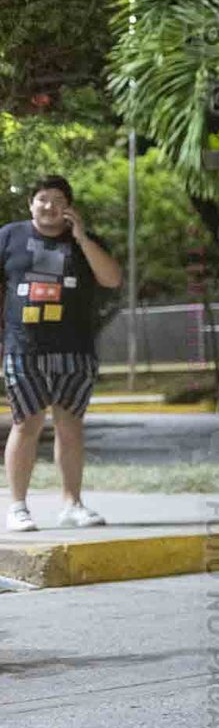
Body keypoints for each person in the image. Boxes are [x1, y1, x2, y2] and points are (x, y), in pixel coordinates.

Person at [2, 175, 123, 531]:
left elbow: (112, 279)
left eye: (58, 201)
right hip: (23, 347)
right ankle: (18, 507)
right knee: (26, 423)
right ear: (31, 203)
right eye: (42, 199)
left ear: (69, 208)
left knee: (70, 426)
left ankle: (72, 503)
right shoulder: (9, 236)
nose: (49, 206)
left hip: (75, 349)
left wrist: (81, 237)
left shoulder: (85, 241)